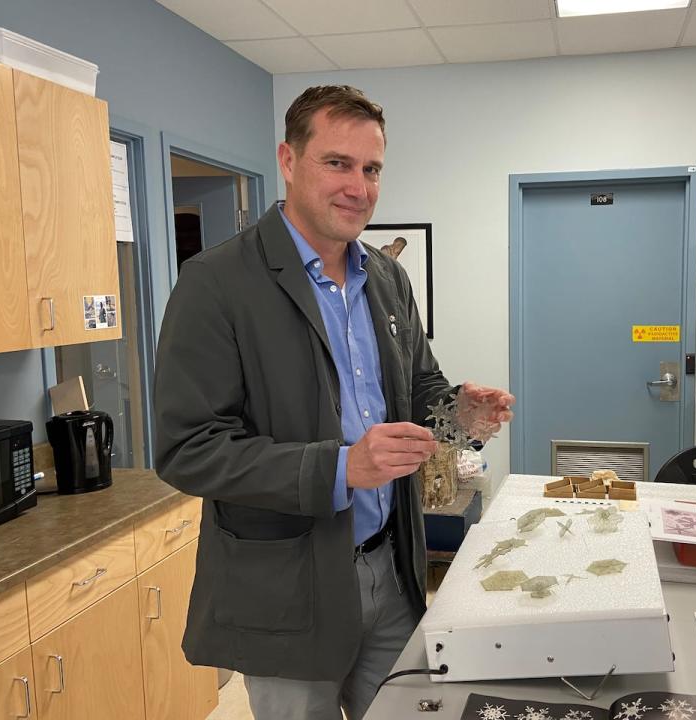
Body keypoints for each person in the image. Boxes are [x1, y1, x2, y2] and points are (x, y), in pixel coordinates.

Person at [152, 85, 513, 720]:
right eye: (337, 163)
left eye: (371, 169)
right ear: (289, 161)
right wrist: (341, 468)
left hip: (392, 569)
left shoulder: (386, 276)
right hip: (287, 587)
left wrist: (457, 412)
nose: (359, 187)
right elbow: (188, 450)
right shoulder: (216, 284)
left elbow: (418, 385)